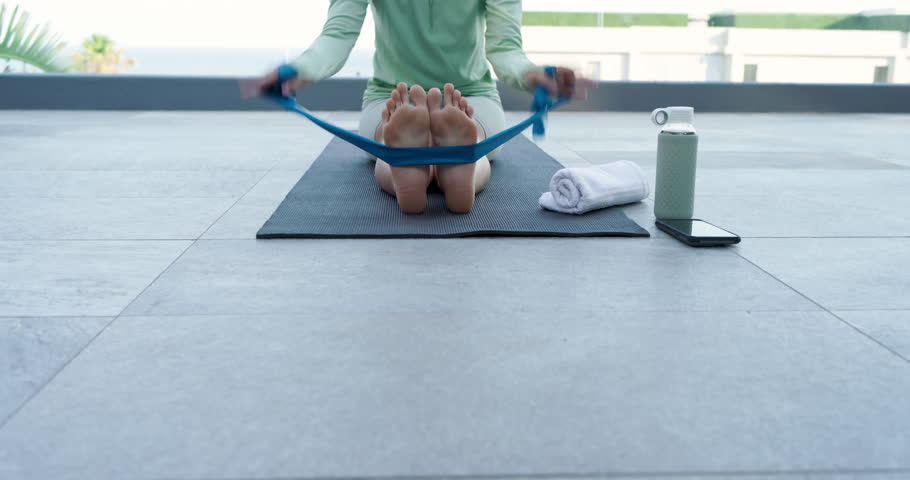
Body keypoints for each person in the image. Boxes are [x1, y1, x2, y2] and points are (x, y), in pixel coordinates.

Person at [249, 0, 589, 214]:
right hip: (468, 98)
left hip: (393, 98)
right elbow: (505, 49)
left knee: (389, 149)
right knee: (476, 150)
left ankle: (408, 166)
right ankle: (459, 173)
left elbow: (336, 37)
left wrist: (298, 71)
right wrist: (299, 73)